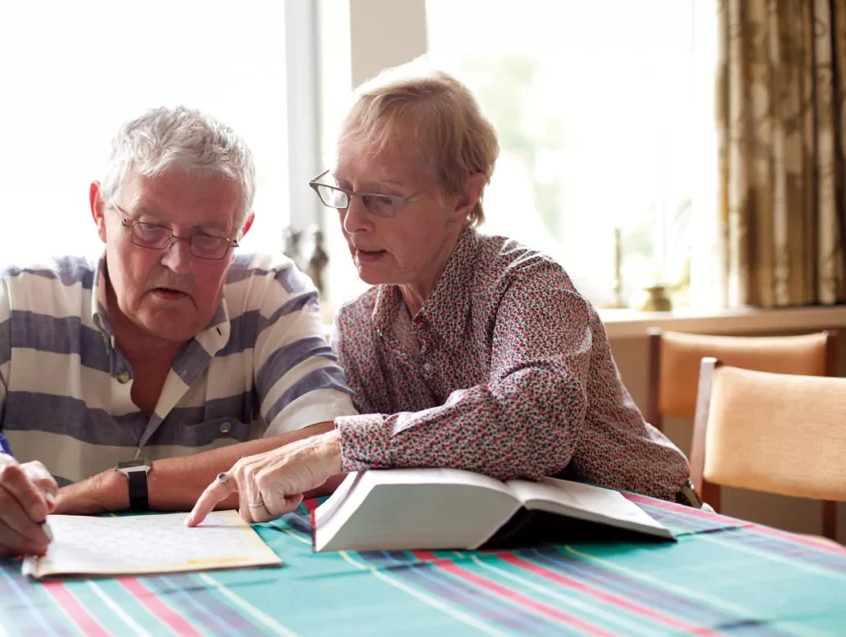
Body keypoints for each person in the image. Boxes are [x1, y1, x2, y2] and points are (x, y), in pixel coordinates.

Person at [188, 63, 694, 526]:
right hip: (513, 542)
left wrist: (339, 444)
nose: (351, 221)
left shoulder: (528, 284)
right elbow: (389, 470)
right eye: (343, 191)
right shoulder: (361, 324)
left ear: (464, 196)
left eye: (381, 199)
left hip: (656, 524)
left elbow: (536, 424)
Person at [0, 105, 356, 555]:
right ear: (99, 212)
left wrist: (122, 487)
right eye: (148, 227)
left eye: (208, 236)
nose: (177, 262)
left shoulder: (268, 294)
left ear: (240, 235)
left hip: (227, 591)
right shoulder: (16, 304)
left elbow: (336, 449)